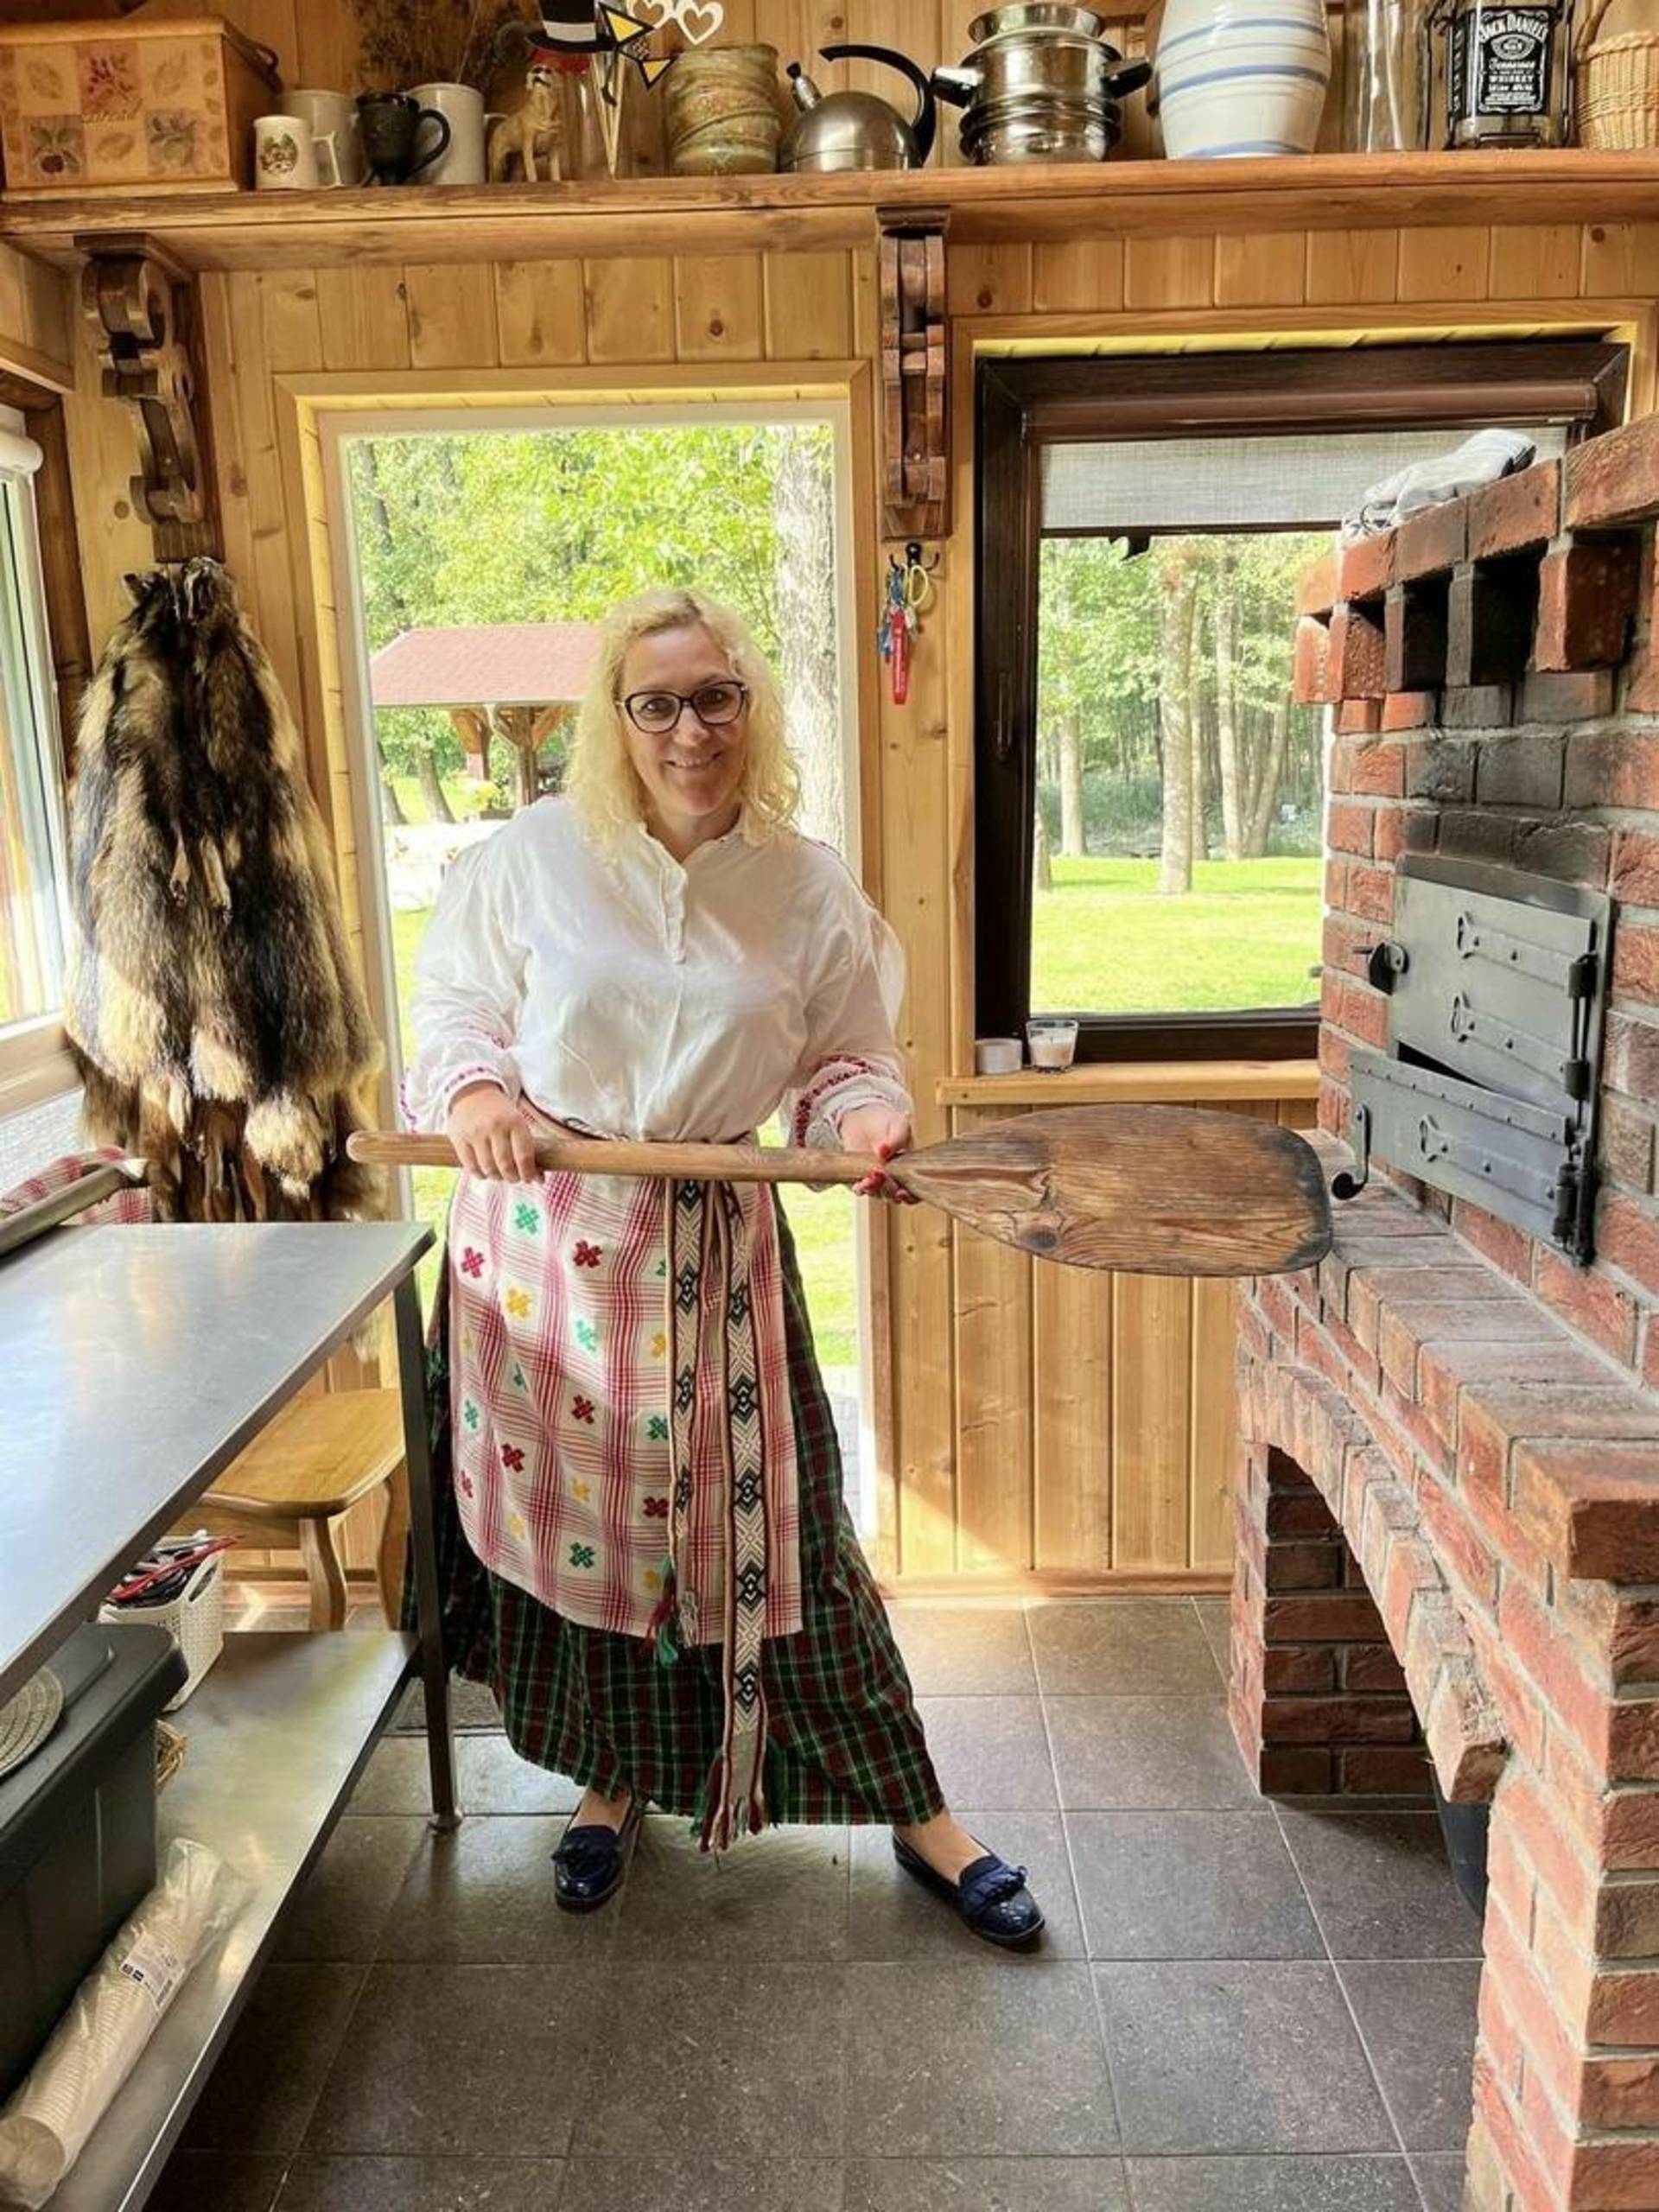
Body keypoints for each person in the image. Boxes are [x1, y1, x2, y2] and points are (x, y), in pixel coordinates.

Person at [404, 585, 1042, 1947]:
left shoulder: (804, 883)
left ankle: (919, 1811)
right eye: (656, 704)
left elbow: (848, 1056)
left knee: (781, 1539)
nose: (689, 730)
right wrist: (475, 1092)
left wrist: (862, 1121)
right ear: (613, 719)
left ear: (751, 708)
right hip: (547, 1258)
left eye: (715, 697)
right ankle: (613, 1779)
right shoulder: (532, 858)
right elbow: (457, 1005)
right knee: (601, 1546)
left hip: (713, 1251)